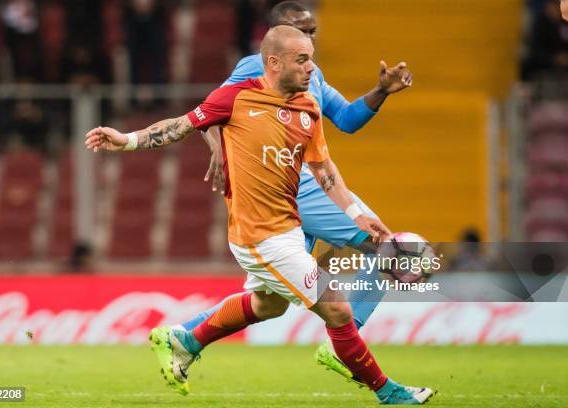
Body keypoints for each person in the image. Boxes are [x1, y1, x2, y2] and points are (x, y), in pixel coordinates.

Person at [85, 25, 434, 405]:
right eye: (301, 60)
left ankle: (185, 339)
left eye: (312, 59)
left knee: (269, 304)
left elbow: (323, 168)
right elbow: (180, 127)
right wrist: (128, 140)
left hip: (286, 230)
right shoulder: (235, 98)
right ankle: (389, 393)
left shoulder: (307, 108)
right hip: (258, 237)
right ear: (273, 62)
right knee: (337, 308)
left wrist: (353, 211)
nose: (311, 69)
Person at [177, 0, 413, 389]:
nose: (308, 39)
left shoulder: (311, 73)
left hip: (298, 184)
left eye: (313, 32)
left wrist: (381, 91)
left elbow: (349, 120)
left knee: (270, 302)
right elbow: (213, 110)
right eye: (300, 31)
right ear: (276, 42)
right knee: (391, 249)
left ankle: (185, 335)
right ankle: (348, 341)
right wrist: (217, 146)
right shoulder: (259, 66)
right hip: (296, 183)